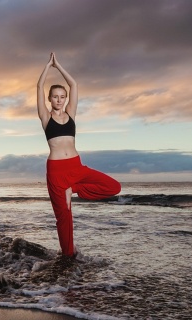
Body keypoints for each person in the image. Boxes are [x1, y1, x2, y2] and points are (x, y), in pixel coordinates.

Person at [37, 52, 121, 257]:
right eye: (55, 96)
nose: (59, 100)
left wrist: (59, 65)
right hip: (57, 171)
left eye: (62, 96)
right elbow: (38, 87)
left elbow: (74, 85)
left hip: (76, 167)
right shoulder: (46, 117)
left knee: (114, 186)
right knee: (64, 218)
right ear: (49, 99)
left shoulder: (71, 113)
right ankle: (68, 256)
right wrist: (48, 66)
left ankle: (72, 189)